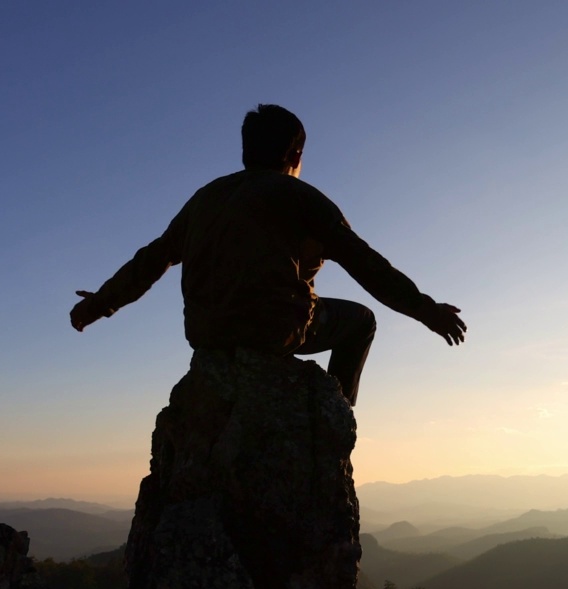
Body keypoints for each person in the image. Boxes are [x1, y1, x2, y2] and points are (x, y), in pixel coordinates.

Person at [69, 104, 466, 405]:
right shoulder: (300, 197)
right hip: (272, 329)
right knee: (360, 321)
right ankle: (338, 413)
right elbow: (366, 264)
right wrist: (426, 311)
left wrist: (99, 305)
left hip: (206, 334)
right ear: (295, 156)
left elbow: (151, 259)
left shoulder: (206, 199)